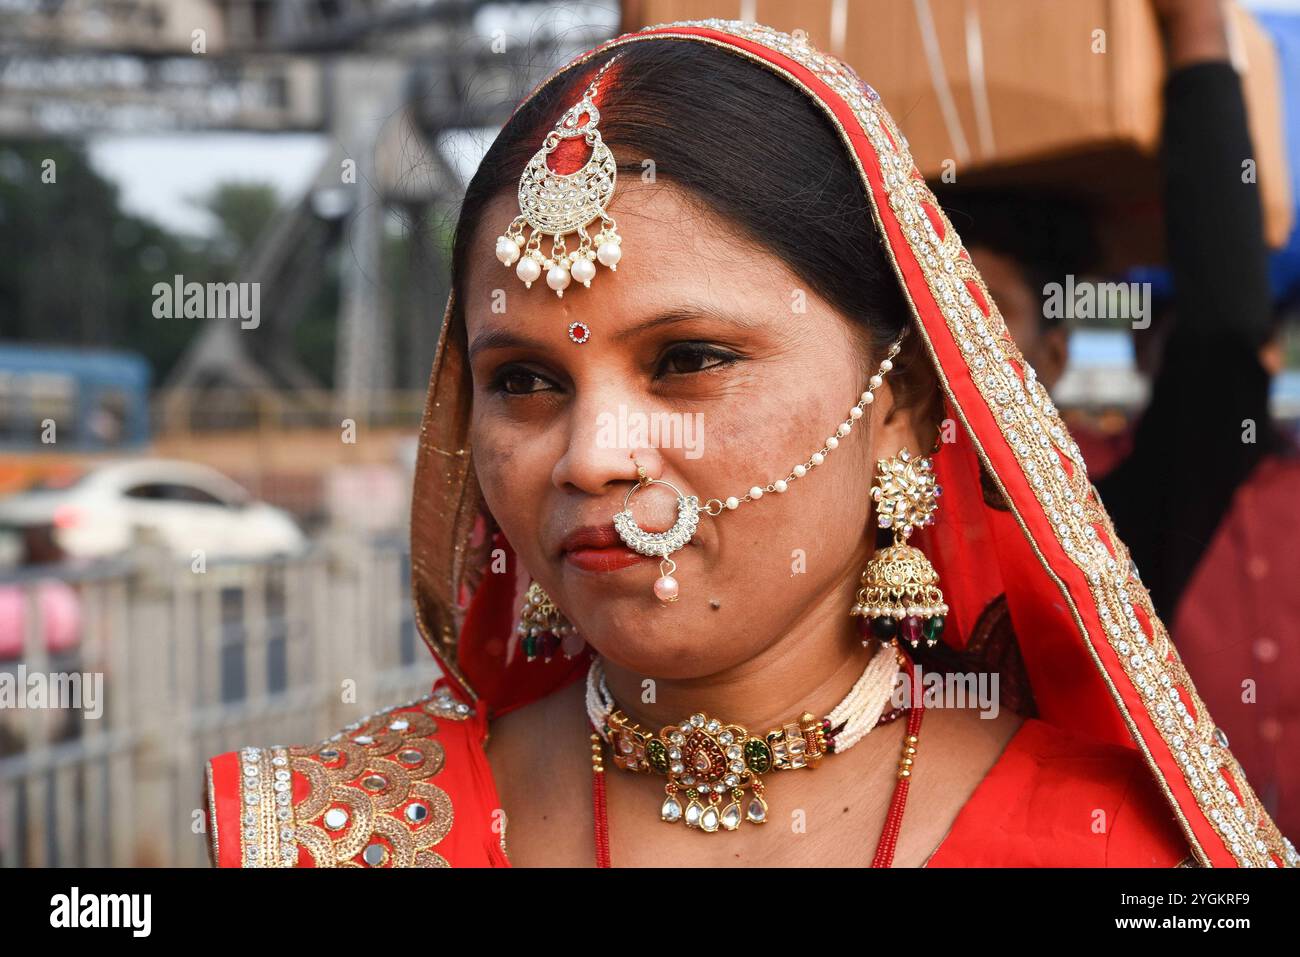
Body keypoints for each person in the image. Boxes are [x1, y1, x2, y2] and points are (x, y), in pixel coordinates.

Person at [203, 19, 1295, 868]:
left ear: (901, 404)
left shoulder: (1119, 853)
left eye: (687, 359)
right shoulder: (325, 832)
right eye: (524, 381)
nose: (592, 458)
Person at [944, 0, 1300, 837]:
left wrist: (1198, 40)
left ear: (1057, 355)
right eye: (920, 314)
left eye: (983, 309)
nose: (946, 344)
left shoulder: (1106, 540)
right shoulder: (809, 517)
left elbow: (1220, 342)